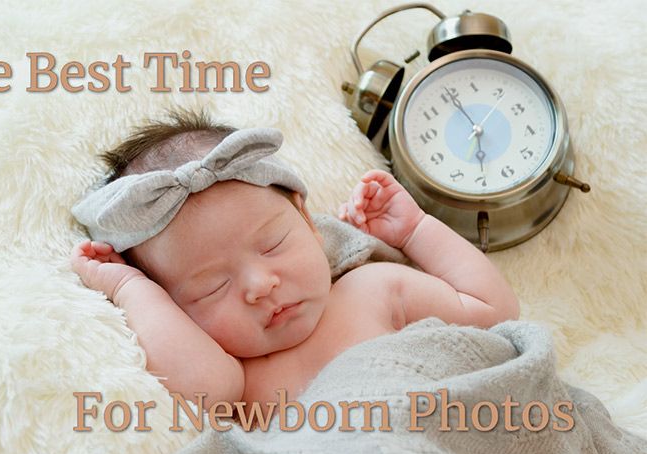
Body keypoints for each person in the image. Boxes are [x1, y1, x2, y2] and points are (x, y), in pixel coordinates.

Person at [69, 109, 519, 417]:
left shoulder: (374, 289)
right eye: (210, 288)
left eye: (272, 245)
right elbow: (201, 392)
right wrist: (131, 288)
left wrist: (416, 231)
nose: (260, 285)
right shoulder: (232, 374)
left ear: (306, 218)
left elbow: (491, 311)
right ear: (173, 304)